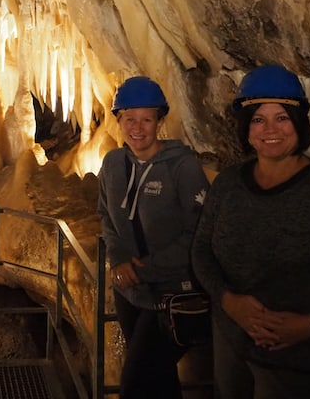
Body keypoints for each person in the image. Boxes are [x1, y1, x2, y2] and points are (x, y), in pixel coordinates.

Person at [191, 64, 310, 398]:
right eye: (258, 119)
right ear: (246, 128)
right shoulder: (227, 184)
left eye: (282, 117)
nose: (270, 129)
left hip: (302, 362)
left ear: (298, 124)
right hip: (231, 345)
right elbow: (201, 251)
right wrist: (230, 303)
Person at [97, 76, 209, 398]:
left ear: (160, 121)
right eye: (129, 118)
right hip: (128, 291)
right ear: (118, 120)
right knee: (159, 379)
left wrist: (146, 268)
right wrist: (117, 258)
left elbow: (200, 231)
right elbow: (105, 215)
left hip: (171, 294)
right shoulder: (113, 163)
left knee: (134, 384)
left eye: (147, 119)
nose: (138, 127)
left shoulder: (182, 166)